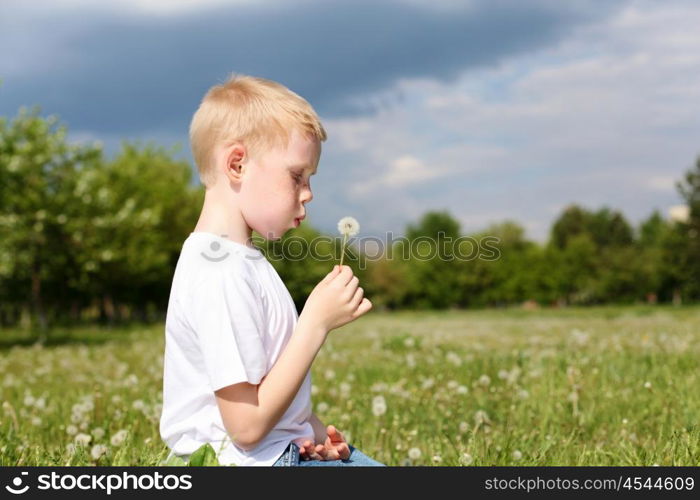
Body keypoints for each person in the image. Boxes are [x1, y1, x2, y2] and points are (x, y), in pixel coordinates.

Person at [159, 74, 385, 466]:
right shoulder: (220, 272)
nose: (309, 192)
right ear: (237, 164)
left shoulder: (242, 262)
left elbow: (271, 393)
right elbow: (245, 427)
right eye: (297, 175)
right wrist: (314, 324)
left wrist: (316, 435)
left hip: (283, 452)